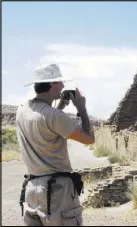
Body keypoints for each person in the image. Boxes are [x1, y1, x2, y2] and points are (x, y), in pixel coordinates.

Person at [16, 63, 95, 226]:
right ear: (52, 84)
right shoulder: (55, 117)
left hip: (32, 188)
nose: (63, 85)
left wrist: (60, 106)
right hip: (57, 190)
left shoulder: (22, 110)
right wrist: (82, 108)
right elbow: (88, 138)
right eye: (60, 82)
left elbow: (48, 125)